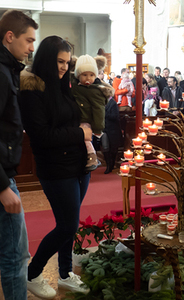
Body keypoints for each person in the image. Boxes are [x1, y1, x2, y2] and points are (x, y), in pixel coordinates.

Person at [20, 36, 92, 299]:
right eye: (59, 61)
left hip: (77, 165)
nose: (64, 67)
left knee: (69, 225)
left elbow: (71, 120)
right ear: (47, 59)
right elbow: (42, 137)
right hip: (55, 168)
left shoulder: (63, 85)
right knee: (66, 226)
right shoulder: (31, 90)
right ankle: (33, 272)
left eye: (67, 62)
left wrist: (82, 130)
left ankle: (64, 273)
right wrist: (79, 133)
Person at [0, 10, 38, 300]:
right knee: (15, 257)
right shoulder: (1, 74)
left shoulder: (8, 69)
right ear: (9, 37)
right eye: (28, 40)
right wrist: (3, 186)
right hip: (2, 179)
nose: (31, 47)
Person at [72, 54, 114, 171]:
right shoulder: (77, 85)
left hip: (86, 119)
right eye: (84, 75)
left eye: (91, 75)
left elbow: (99, 110)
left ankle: (92, 156)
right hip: (77, 118)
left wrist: (98, 129)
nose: (88, 78)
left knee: (86, 139)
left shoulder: (95, 91)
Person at [102, 97, 123, 174]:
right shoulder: (101, 101)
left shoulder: (112, 103)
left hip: (113, 129)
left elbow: (115, 117)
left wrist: (104, 112)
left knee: (113, 149)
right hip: (104, 129)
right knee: (105, 147)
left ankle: (111, 164)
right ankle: (108, 165)